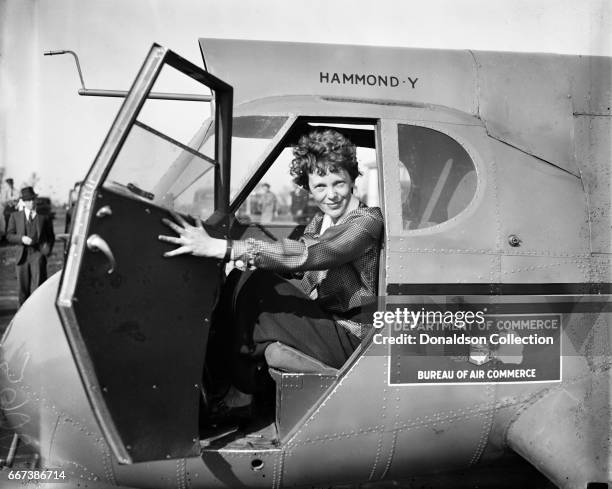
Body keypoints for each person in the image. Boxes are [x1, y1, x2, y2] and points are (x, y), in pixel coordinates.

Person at [159, 129, 383, 402]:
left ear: (353, 181)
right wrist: (246, 261)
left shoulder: (366, 221)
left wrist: (227, 248)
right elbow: (299, 271)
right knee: (245, 277)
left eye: (339, 183)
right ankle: (217, 382)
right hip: (327, 321)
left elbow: (312, 254)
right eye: (320, 187)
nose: (331, 195)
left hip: (353, 339)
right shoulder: (320, 222)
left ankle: (232, 390)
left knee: (259, 287)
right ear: (308, 188)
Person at [6, 187, 55, 305]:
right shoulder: (15, 216)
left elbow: (51, 237)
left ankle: (38, 317)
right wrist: (21, 238)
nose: (31, 202)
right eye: (28, 200)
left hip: (38, 256)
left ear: (35, 199)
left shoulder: (44, 218)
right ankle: (21, 320)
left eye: (32, 199)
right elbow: (9, 235)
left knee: (39, 290)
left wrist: (45, 252)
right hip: (22, 258)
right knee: (23, 292)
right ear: (23, 202)